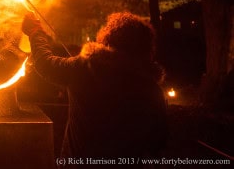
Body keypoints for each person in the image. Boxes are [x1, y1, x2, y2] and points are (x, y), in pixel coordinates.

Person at [22, 11, 168, 165]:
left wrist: (35, 32)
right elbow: (158, 141)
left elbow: (46, 64)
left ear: (109, 38)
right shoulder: (151, 89)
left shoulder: (87, 68)